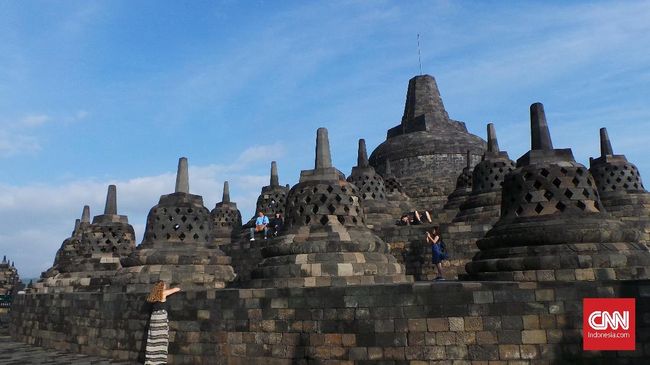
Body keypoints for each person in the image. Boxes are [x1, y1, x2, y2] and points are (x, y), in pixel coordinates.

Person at [144, 281, 181, 365]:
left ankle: (151, 359)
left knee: (153, 339)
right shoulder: (163, 293)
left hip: (153, 318)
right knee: (161, 338)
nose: (165, 286)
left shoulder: (153, 295)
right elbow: (176, 289)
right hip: (161, 317)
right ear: (162, 286)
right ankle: (159, 360)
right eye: (164, 285)